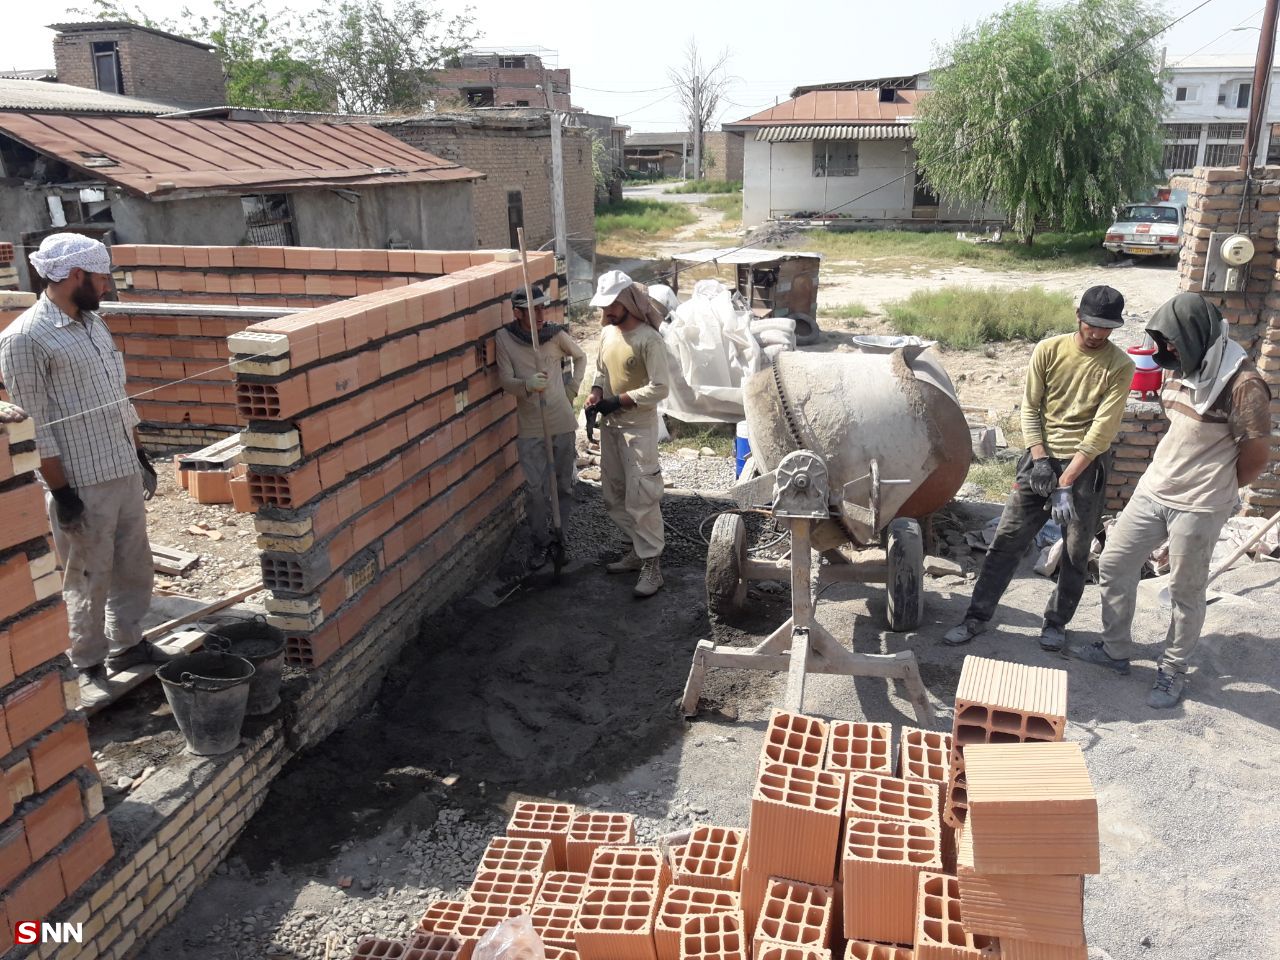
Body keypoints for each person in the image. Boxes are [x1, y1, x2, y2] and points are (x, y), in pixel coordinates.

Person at [1069, 293, 1271, 707]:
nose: (1168, 350)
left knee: (1185, 589)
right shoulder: (1182, 367)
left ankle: (1172, 670)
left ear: (1197, 336)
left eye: (1174, 342)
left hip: (1200, 503)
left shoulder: (1242, 384)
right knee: (1114, 561)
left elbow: (1256, 456)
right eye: (1165, 343)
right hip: (1154, 487)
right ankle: (1115, 650)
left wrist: (1218, 489)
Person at [0, 234, 164, 696]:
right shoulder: (25, 339)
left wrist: (139, 455)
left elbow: (117, 396)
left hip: (120, 467)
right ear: (76, 276)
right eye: (101, 276)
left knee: (133, 565)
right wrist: (63, 494)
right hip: (81, 481)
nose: (107, 285)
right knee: (88, 576)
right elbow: (37, 427)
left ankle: (128, 643)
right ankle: (87, 661)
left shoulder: (93, 323)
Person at [944, 285, 1134, 651]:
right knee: (1007, 542)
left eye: (1106, 328)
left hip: (1085, 466)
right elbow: (1030, 408)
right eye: (1092, 325)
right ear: (1078, 316)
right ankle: (976, 617)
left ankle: (1056, 622)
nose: (1097, 334)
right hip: (1040, 459)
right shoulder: (1049, 351)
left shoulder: (1120, 365)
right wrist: (1042, 460)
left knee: (1076, 552)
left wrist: (1065, 481)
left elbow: (1101, 431)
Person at [585, 270, 670, 598]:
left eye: (610, 306)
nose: (604, 313)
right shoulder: (608, 334)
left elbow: (660, 388)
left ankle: (653, 566)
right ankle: (637, 550)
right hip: (612, 426)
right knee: (614, 494)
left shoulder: (649, 339)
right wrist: (595, 393)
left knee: (642, 496)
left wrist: (619, 400)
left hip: (638, 429)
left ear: (626, 303)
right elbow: (601, 370)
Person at [495, 283, 586, 567]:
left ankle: (562, 539)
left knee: (563, 487)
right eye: (532, 309)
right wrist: (525, 385)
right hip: (531, 425)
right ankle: (540, 542)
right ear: (517, 312)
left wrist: (571, 389)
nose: (539, 314)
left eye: (542, 307)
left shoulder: (555, 334)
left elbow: (581, 356)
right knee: (535, 489)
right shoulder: (505, 339)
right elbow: (504, 379)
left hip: (560, 420)